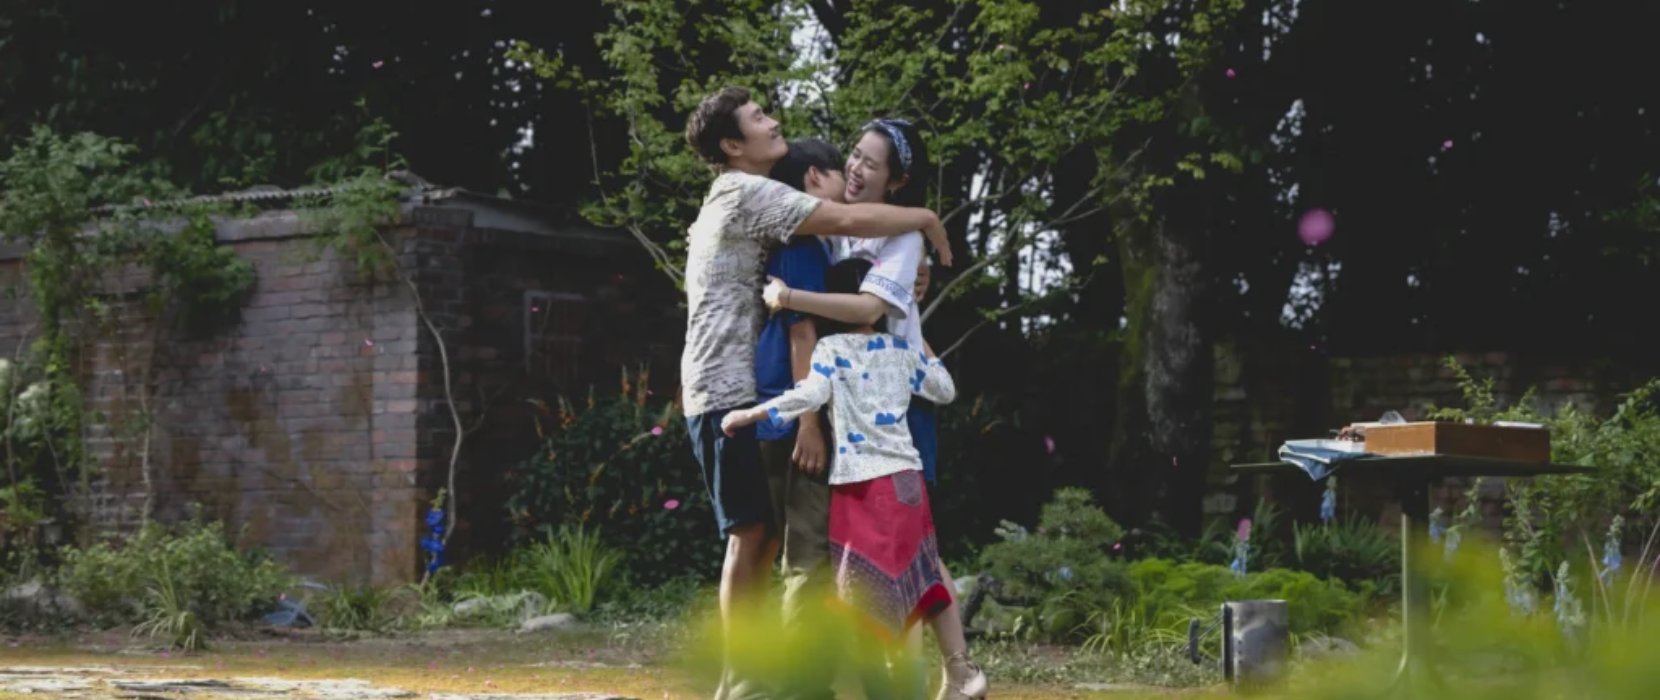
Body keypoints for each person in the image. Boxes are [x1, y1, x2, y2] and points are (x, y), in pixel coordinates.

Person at [679, 87, 953, 700]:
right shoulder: (751, 194)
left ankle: (754, 679)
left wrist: (909, 279)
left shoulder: (753, 202)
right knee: (758, 537)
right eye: (758, 117)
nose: (772, 120)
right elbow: (845, 227)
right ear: (732, 145)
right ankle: (745, 683)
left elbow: (856, 270)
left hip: (748, 392)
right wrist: (926, 220)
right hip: (730, 392)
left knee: (766, 537)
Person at [763, 118, 966, 700]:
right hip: (849, 407)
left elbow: (868, 309)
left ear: (895, 181)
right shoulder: (842, 229)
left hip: (895, 407)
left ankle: (950, 670)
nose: (854, 168)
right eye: (854, 154)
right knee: (868, 551)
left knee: (910, 548)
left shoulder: (900, 239)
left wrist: (789, 296)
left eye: (871, 164)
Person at [723, 257, 988, 700]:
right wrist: (916, 336)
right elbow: (945, 389)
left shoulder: (830, 350)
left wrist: (751, 414)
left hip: (861, 487)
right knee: (916, 577)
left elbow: (807, 394)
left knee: (861, 592)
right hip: (906, 482)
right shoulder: (900, 351)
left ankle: (887, 688)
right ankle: (944, 673)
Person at [756, 138, 842, 700]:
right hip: (793, 416)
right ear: (814, 177)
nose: (848, 182)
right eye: (840, 172)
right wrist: (810, 424)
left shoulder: (801, 243)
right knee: (807, 556)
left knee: (795, 552)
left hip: (778, 412)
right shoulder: (804, 245)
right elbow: (802, 334)